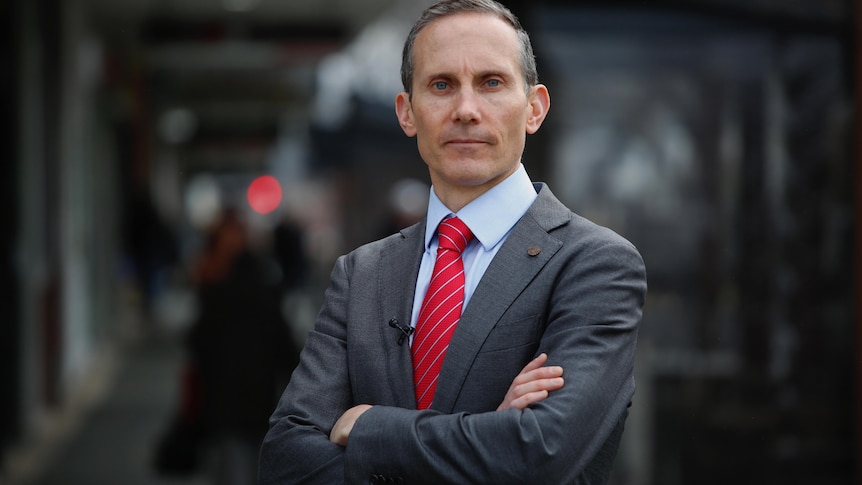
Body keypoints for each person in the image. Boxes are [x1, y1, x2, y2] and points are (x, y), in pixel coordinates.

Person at [259, 1, 647, 483]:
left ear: (534, 108)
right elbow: (284, 460)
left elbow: (542, 455)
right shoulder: (360, 275)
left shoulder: (596, 266)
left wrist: (370, 428)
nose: (466, 110)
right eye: (441, 85)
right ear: (407, 112)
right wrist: (492, 432)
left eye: (491, 83)